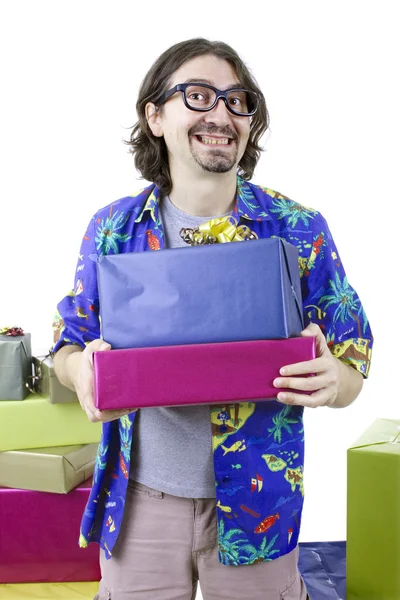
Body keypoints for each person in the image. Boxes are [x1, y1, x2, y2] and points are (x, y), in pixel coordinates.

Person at [52, 38, 373, 600]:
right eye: (198, 96)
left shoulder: (297, 228)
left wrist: (333, 382)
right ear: (155, 116)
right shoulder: (113, 230)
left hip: (259, 507)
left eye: (237, 100)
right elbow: (68, 343)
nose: (221, 114)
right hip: (140, 506)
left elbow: (352, 361)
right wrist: (81, 372)